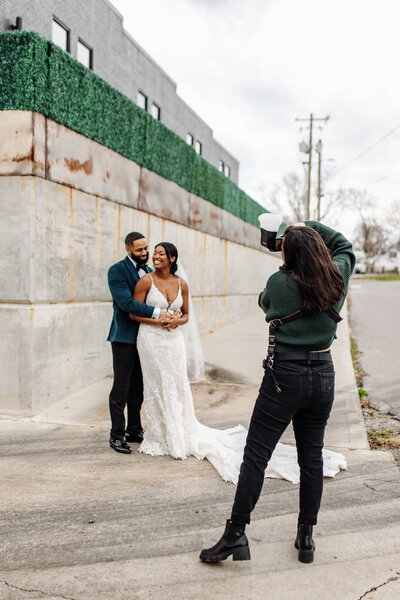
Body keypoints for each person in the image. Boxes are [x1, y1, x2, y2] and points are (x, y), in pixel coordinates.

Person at [199, 220, 355, 565]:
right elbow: (344, 245)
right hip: (323, 374)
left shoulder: (279, 282)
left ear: (290, 252)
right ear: (317, 248)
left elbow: (265, 303)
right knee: (311, 458)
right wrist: (307, 228)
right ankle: (306, 537)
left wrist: (292, 234)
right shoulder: (337, 278)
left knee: (256, 455)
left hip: (284, 376)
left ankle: (236, 534)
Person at [129, 240, 347, 486]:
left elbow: (187, 314)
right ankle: (159, 435)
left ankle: (179, 431)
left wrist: (177, 322)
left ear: (171, 258)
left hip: (174, 342)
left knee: (176, 384)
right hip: (151, 340)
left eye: (160, 254)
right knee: (156, 385)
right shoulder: (145, 281)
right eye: (153, 254)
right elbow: (133, 311)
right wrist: (159, 321)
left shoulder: (182, 284)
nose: (155, 257)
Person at [107, 232, 170, 454]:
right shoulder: (116, 271)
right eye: (139, 250)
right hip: (123, 337)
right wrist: (157, 312)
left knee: (138, 387)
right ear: (128, 250)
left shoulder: (151, 272)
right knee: (121, 387)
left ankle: (134, 429)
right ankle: (116, 435)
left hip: (146, 338)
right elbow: (126, 303)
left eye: (146, 249)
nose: (144, 253)